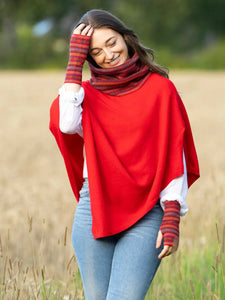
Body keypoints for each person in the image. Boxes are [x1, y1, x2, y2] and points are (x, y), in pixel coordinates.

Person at [49, 9, 200, 300]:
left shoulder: (161, 89)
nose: (108, 54)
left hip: (147, 211)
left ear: (126, 38)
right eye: (95, 51)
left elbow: (174, 153)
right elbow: (66, 124)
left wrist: (172, 215)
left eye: (111, 42)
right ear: (88, 58)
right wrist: (73, 66)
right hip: (94, 208)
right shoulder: (85, 96)